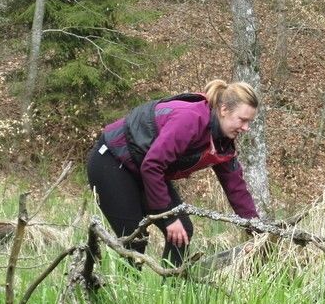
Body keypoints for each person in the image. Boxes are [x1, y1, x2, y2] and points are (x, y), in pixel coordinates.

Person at [87, 79, 260, 266]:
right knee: (135, 239)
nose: (246, 128)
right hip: (112, 160)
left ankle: (170, 290)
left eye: (249, 122)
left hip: (144, 169)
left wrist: (257, 229)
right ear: (224, 110)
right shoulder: (190, 120)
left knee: (182, 232)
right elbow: (152, 165)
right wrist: (169, 217)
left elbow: (236, 188)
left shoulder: (222, 143)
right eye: (242, 120)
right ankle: (121, 292)